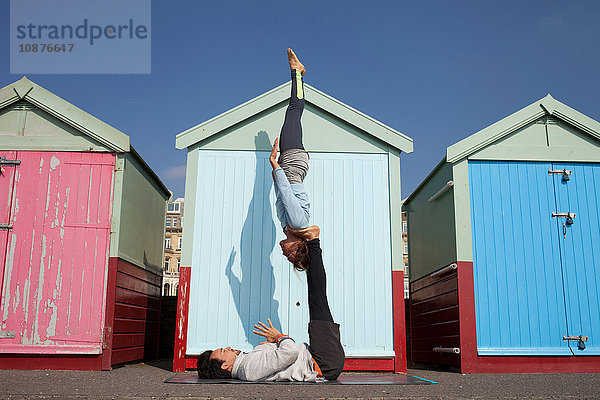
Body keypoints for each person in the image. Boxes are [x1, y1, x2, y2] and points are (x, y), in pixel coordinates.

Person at [197, 225, 345, 382]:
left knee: (316, 295)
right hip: (322, 362)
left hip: (322, 360)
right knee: (317, 296)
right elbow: (290, 353)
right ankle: (312, 241)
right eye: (223, 351)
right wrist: (278, 336)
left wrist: (272, 342)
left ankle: (310, 245)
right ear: (225, 366)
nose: (227, 348)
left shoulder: (247, 363)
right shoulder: (248, 368)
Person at [269, 49, 312, 271]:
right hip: (292, 165)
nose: (284, 254)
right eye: (290, 256)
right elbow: (286, 193)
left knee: (292, 113)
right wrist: (276, 166)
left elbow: (280, 193)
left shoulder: (288, 226)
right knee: (294, 111)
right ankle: (298, 73)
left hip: (291, 165)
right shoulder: (297, 224)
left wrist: (277, 166)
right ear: (297, 248)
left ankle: (298, 74)